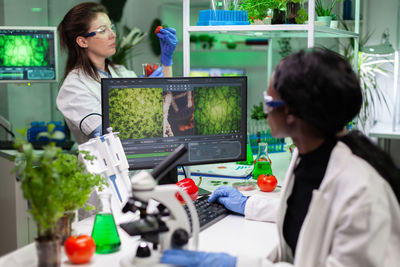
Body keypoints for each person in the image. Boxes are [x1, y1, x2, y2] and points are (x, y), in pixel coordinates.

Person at [161, 48, 400, 267]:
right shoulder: (308, 154)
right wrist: (248, 205)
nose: (265, 111)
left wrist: (236, 263)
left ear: (291, 113)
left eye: (268, 102)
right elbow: (310, 217)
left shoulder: (362, 193)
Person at [56, 2, 178, 144]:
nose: (113, 35)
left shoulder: (121, 72)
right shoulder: (74, 87)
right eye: (103, 30)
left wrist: (166, 62)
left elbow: (164, 110)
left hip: (140, 163)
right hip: (106, 165)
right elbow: (106, 134)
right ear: (83, 41)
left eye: (111, 28)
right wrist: (140, 94)